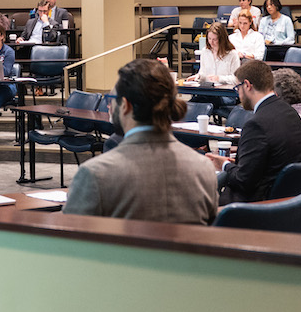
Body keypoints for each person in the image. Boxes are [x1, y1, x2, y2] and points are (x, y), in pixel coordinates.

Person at [63, 59, 218, 224]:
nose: (109, 105)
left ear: (125, 106)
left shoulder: (95, 174)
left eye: (111, 98)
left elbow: (69, 244)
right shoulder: (204, 169)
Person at [207, 60, 301, 204]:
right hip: (289, 201)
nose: (238, 95)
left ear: (247, 85)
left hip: (257, 206)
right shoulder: (290, 112)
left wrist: (223, 164)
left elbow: (243, 181)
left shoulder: (256, 124)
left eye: (238, 88)